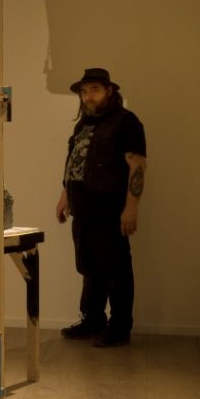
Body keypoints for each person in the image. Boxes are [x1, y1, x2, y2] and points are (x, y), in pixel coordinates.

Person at [56, 68, 146, 347]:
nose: (88, 96)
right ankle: (92, 320)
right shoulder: (82, 125)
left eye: (94, 90)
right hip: (82, 208)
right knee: (89, 267)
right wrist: (65, 195)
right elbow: (76, 162)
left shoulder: (126, 122)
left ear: (109, 91)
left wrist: (131, 208)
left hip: (109, 209)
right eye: (84, 92)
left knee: (116, 269)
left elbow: (137, 167)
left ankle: (119, 327)